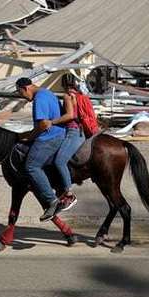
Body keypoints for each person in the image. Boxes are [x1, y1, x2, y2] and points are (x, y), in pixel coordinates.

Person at [16, 77, 66, 221]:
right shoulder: (47, 92)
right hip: (58, 133)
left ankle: (52, 201)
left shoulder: (39, 99)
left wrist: (30, 137)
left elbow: (43, 125)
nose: (23, 98)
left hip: (50, 138)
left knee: (31, 166)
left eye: (21, 94)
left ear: (25, 88)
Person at [49, 74, 87, 212]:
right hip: (81, 131)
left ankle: (69, 194)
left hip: (73, 132)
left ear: (63, 84)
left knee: (59, 161)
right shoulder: (80, 94)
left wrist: (51, 122)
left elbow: (70, 115)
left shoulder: (67, 96)